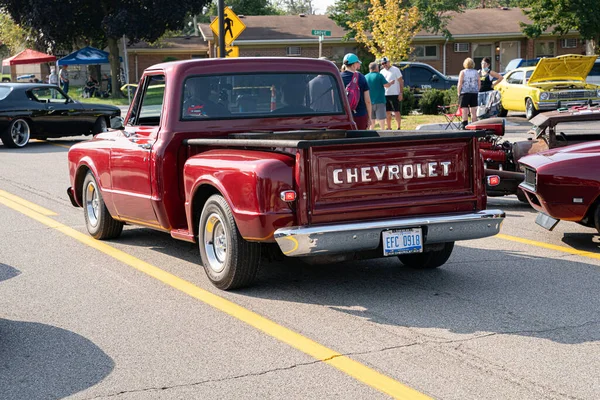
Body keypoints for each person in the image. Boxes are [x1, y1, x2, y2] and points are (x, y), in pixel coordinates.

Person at [340, 53, 371, 130]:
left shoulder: (338, 77)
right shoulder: (361, 78)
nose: (359, 65)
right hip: (360, 114)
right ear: (353, 65)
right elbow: (367, 101)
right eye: (358, 63)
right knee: (360, 139)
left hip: (344, 115)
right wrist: (370, 117)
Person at [365, 61, 395, 130]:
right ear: (376, 68)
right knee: (381, 119)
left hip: (369, 101)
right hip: (380, 101)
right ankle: (382, 132)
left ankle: (371, 133)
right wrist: (391, 83)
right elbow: (386, 85)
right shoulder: (379, 76)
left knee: (371, 120)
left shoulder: (365, 77)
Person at [457, 57, 480, 129]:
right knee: (473, 111)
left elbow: (460, 83)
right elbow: (479, 82)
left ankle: (464, 124)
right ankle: (474, 124)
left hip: (465, 92)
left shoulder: (463, 72)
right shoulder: (476, 72)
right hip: (474, 92)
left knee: (465, 110)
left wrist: (458, 92)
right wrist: (477, 90)